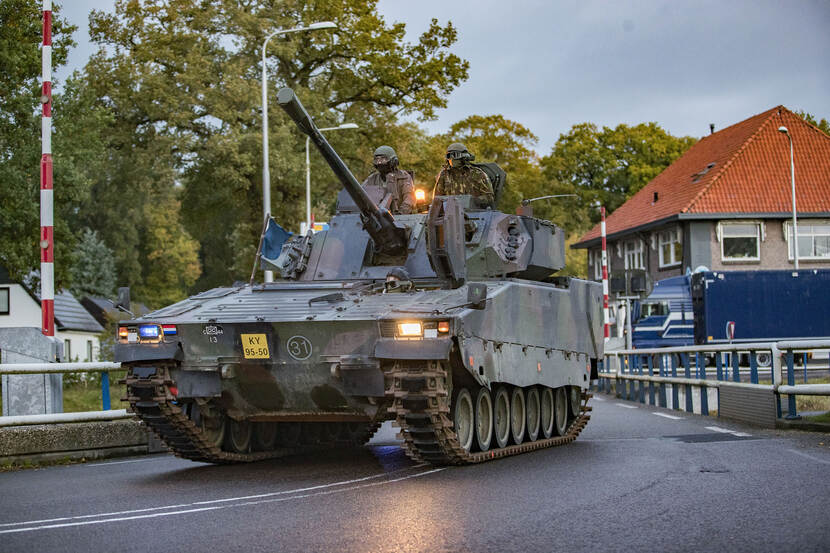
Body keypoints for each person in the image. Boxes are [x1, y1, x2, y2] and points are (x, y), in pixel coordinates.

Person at [433, 143, 494, 208]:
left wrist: (471, 200)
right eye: (449, 156)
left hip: (474, 213)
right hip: (451, 214)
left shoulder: (477, 174)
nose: (452, 158)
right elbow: (437, 199)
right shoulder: (444, 175)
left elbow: (489, 197)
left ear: (464, 156)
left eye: (455, 155)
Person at [361, 146, 415, 215]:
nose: (379, 162)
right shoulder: (372, 178)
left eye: (383, 159)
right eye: (377, 159)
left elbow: (410, 199)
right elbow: (361, 194)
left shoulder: (404, 177)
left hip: (400, 217)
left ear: (393, 161)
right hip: (377, 217)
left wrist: (401, 214)